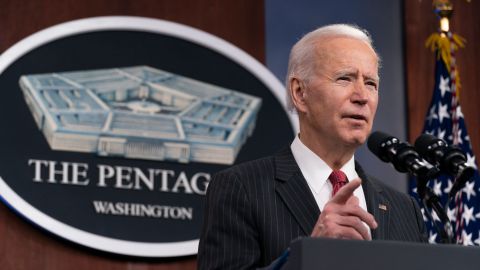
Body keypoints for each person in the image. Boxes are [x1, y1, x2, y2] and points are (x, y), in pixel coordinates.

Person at [198, 24, 427, 270]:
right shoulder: (241, 189)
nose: (362, 96)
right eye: (344, 78)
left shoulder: (406, 210)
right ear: (299, 92)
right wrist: (309, 255)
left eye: (371, 83)